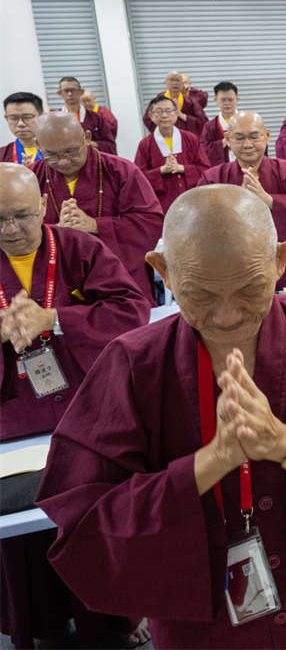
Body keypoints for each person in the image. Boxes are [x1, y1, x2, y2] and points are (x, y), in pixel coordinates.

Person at [36, 184, 286, 649]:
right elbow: (85, 525)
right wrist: (207, 465)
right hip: (209, 626)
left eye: (250, 289)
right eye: (201, 295)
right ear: (163, 271)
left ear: (281, 259)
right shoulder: (131, 365)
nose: (227, 316)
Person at [0, 163, 150, 650]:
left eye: (22, 215)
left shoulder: (79, 248)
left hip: (85, 405)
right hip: (12, 417)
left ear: (43, 205)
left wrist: (55, 318)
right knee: (22, 534)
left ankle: (118, 615)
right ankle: (40, 622)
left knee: (94, 513)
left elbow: (132, 310)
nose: (10, 229)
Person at [32, 113, 163, 303]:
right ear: (38, 144)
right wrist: (55, 231)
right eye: (51, 155)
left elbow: (150, 222)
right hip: (58, 284)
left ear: (86, 137)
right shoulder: (30, 179)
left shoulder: (122, 171)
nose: (63, 161)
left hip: (119, 279)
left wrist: (95, 225)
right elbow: (14, 230)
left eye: (70, 152)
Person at [198, 113, 286, 289]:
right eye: (239, 138)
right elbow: (199, 226)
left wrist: (270, 201)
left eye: (254, 136)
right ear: (228, 139)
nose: (247, 145)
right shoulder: (212, 179)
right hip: (232, 275)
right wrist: (237, 205)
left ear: (267, 136)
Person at [134, 94, 209, 212]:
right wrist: (162, 170)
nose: (164, 115)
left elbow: (205, 170)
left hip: (192, 200)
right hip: (162, 204)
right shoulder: (145, 144)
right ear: (151, 116)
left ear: (176, 113)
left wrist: (182, 168)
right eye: (159, 111)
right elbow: (138, 178)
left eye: (168, 111)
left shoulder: (191, 138)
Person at [55, 77, 113, 155]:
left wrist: (92, 144)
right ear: (60, 94)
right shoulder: (55, 119)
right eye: (66, 91)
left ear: (81, 92)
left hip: (92, 159)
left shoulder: (96, 117)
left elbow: (110, 145)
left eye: (73, 90)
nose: (70, 94)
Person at [143, 71, 209, 135]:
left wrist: (182, 115)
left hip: (186, 139)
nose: (175, 83)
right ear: (166, 83)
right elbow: (147, 119)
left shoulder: (190, 101)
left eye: (178, 80)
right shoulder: (158, 100)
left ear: (182, 84)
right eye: (171, 80)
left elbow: (202, 122)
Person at [200, 82, 239, 166]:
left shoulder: (247, 121)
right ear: (216, 100)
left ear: (237, 99)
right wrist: (222, 143)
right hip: (220, 169)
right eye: (223, 100)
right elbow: (203, 151)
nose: (227, 103)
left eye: (230, 99)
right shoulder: (209, 126)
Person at [3, 92, 44, 166]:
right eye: (13, 118)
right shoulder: (2, 155)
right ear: (6, 118)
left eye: (27, 117)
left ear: (41, 116)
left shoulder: (58, 151)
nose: (20, 124)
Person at [79, 89, 118, 155]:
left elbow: (112, 128)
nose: (87, 103)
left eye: (88, 100)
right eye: (83, 101)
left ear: (94, 99)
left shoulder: (103, 112)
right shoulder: (80, 115)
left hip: (102, 149)